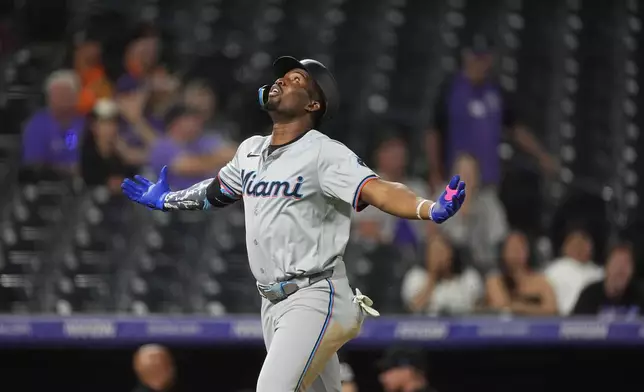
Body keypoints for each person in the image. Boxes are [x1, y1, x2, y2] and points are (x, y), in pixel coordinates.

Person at [121, 56, 466, 392]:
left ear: (314, 105)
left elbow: (379, 189)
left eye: (297, 79)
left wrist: (427, 207)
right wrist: (166, 200)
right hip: (272, 302)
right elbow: (216, 192)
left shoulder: (324, 152)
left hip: (314, 295)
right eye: (283, 76)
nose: (283, 79)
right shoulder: (251, 150)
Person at [426, 34, 557, 191]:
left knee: (496, 216)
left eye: (484, 58)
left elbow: (516, 129)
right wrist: (434, 171)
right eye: (476, 57)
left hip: (487, 184)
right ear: (466, 56)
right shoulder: (449, 89)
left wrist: (541, 156)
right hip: (454, 180)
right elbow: (433, 132)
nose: (480, 63)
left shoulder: (496, 92)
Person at [431, 152, 508, 273]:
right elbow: (431, 234)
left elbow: (499, 238)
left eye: (471, 172)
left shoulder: (489, 202)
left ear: (478, 176)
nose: (466, 177)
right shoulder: (440, 200)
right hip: (449, 267)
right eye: (462, 172)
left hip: (483, 266)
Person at [352, 134, 430, 250]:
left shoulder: (419, 188)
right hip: (378, 253)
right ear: (379, 155)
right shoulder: (366, 184)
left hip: (417, 253)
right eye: (391, 149)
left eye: (400, 150)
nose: (398, 155)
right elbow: (365, 229)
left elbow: (431, 229)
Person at [149, 104, 236, 190]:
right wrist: (217, 160)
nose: (198, 124)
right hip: (177, 196)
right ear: (176, 123)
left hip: (212, 195)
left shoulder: (202, 140)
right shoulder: (162, 147)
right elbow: (191, 167)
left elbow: (235, 153)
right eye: (192, 120)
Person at [22, 69, 85, 172]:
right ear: (48, 98)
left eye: (66, 94)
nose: (62, 99)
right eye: (57, 94)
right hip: (48, 183)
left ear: (76, 97)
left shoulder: (85, 122)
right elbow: (33, 165)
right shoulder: (37, 125)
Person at [401, 235, 482, 315]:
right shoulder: (416, 276)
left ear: (451, 254)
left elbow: (478, 311)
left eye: (441, 252)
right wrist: (432, 277)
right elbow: (414, 309)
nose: (438, 258)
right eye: (434, 253)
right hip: (427, 326)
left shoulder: (468, 277)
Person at [485, 231, 557, 315]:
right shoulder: (495, 281)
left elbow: (551, 310)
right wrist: (534, 308)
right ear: (503, 252)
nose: (516, 252)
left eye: (520, 247)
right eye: (511, 248)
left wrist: (520, 308)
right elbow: (501, 307)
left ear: (528, 251)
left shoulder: (541, 282)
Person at [80, 99, 139, 193]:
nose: (109, 128)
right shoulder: (86, 150)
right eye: (104, 123)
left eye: (112, 123)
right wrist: (107, 183)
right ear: (93, 126)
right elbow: (87, 177)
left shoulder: (120, 149)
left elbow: (133, 173)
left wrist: (125, 154)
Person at [573, 243, 644, 316]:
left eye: (626, 264)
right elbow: (574, 324)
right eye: (617, 263)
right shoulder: (590, 295)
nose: (621, 269)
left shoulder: (640, 295)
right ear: (606, 267)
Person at [544, 228, 603, 315]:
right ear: (565, 247)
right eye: (577, 244)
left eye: (585, 243)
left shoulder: (599, 272)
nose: (581, 248)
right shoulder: (554, 270)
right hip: (561, 319)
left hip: (594, 320)